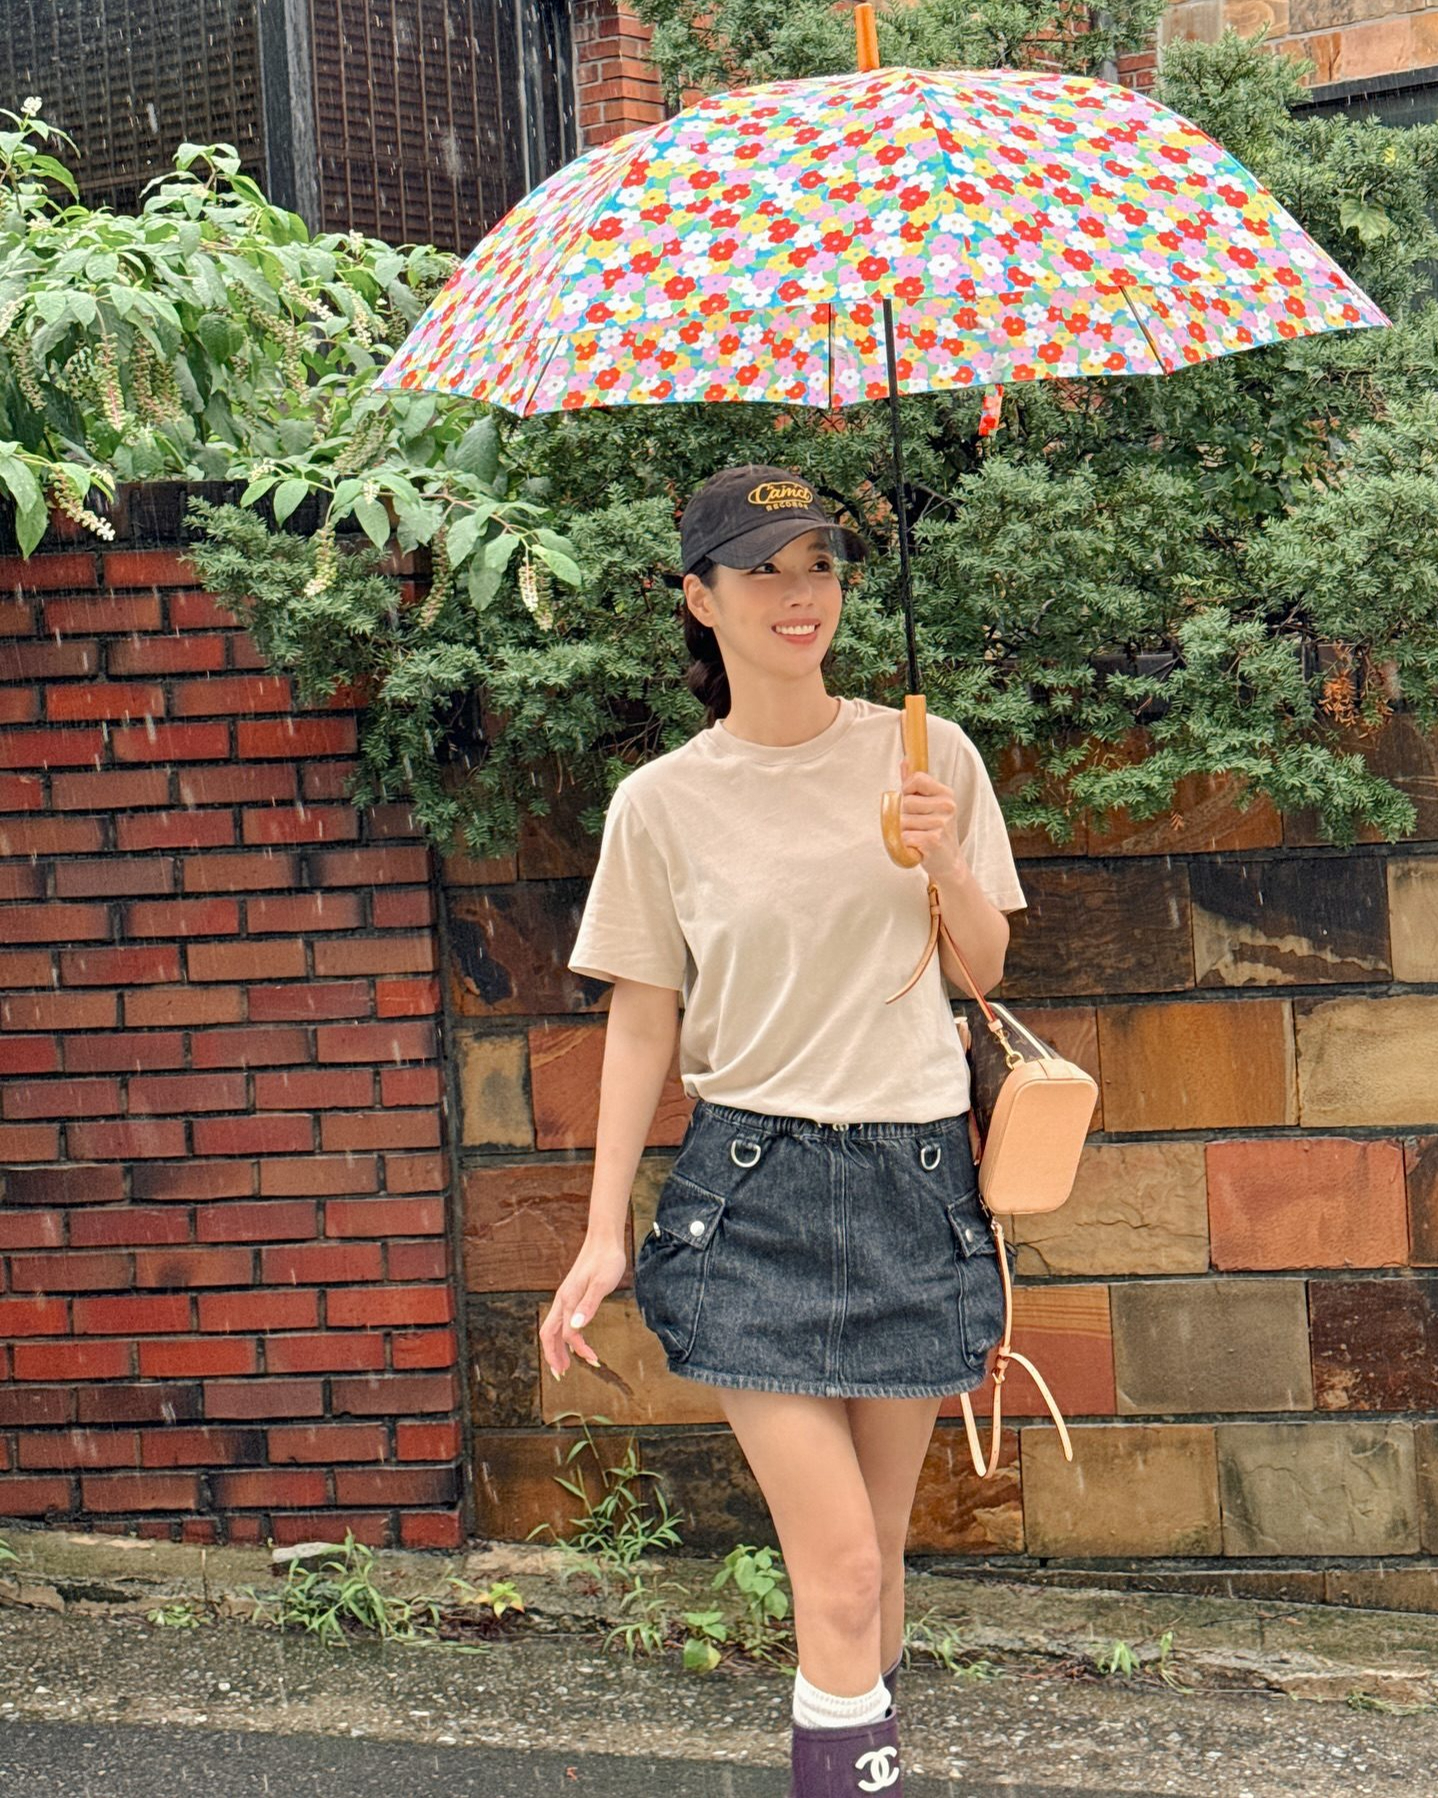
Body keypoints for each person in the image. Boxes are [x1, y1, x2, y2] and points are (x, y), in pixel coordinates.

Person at [540, 462, 1027, 1797]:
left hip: (915, 1179)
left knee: (877, 1562)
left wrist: (936, 851)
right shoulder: (661, 803)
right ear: (700, 599)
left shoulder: (927, 754)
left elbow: (985, 967)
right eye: (762, 571)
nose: (798, 594)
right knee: (844, 1567)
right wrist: (600, 1233)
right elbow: (641, 1022)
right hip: (751, 1190)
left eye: (818, 564)